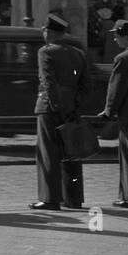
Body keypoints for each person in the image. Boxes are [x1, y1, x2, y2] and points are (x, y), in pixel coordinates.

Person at [31, 13, 90, 211]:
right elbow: (86, 86)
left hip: (49, 109)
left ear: (49, 32)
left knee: (48, 153)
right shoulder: (78, 54)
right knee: (71, 153)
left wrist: (57, 106)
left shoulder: (45, 52)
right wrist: (72, 106)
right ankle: (73, 199)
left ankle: (50, 199)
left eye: (44, 30)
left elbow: (48, 82)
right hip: (71, 109)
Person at [97, 20, 128, 208]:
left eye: (116, 35)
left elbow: (117, 89)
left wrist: (109, 111)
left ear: (124, 35)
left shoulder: (124, 58)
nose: (115, 39)